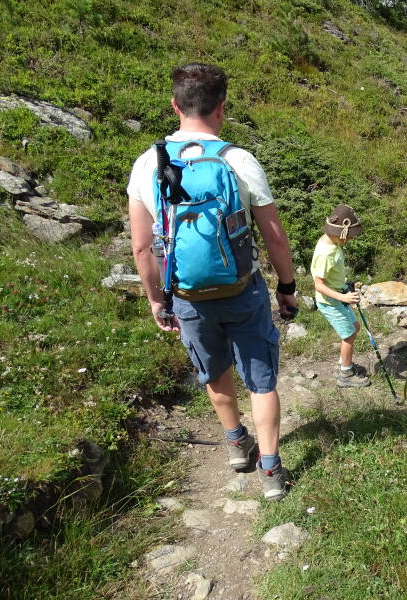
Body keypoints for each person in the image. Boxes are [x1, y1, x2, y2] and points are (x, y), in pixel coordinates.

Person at [127, 63, 297, 501]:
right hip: (242, 288)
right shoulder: (237, 160)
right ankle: (271, 471)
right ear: (221, 108)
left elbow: (142, 248)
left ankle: (236, 445)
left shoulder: (147, 164)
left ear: (175, 106)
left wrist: (156, 301)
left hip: (186, 295)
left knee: (214, 372)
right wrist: (286, 286)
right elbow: (274, 236)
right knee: (261, 380)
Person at [309, 205, 370, 388]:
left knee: (355, 327)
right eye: (349, 236)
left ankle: (344, 362)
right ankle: (345, 374)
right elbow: (319, 285)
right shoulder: (326, 253)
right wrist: (343, 298)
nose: (350, 239)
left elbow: (331, 276)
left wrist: (344, 287)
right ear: (341, 233)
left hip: (337, 296)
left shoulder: (331, 243)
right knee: (349, 334)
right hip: (329, 302)